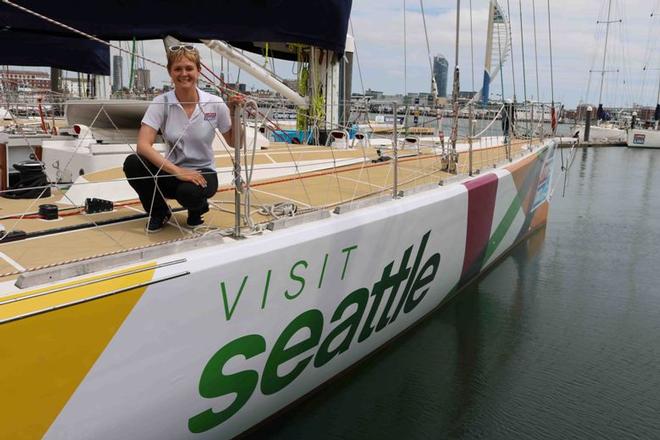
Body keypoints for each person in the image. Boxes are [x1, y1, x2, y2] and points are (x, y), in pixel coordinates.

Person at [123, 44, 238, 232]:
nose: (184, 73)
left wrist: (234, 113)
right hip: (172, 170)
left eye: (189, 68)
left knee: (189, 193)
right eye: (178, 69)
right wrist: (177, 171)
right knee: (133, 163)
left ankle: (198, 209)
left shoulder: (214, 103)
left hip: (203, 172)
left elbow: (235, 143)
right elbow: (143, 145)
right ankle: (159, 212)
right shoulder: (162, 103)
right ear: (170, 72)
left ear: (198, 71)